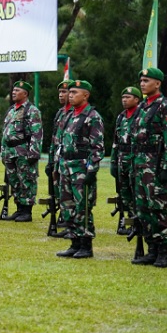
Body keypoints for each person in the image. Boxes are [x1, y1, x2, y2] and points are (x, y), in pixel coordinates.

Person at [129, 68, 167, 267]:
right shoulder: (142, 107)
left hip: (155, 165)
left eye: (146, 80)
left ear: (157, 83)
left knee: (158, 208)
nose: (142, 83)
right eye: (141, 80)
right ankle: (152, 249)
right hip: (139, 164)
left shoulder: (165, 106)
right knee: (143, 208)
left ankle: (163, 252)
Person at [56, 80, 104, 259]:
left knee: (82, 206)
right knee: (67, 205)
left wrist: (92, 169)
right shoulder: (69, 115)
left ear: (86, 95)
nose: (70, 95)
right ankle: (74, 242)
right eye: (70, 92)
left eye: (75, 92)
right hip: (66, 166)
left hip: (81, 167)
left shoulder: (92, 116)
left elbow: (97, 146)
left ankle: (86, 244)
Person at [0, 80, 43, 222]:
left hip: (23, 151)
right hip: (10, 151)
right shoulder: (11, 110)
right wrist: (3, 151)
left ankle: (27, 211)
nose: (14, 92)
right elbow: (5, 132)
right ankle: (19, 209)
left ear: (25, 94)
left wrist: (33, 153)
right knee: (14, 181)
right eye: (13, 90)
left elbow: (37, 134)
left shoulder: (32, 110)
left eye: (17, 90)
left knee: (27, 180)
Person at [110, 86, 142, 236]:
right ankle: (129, 220)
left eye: (128, 97)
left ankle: (138, 222)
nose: (124, 100)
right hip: (122, 157)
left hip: (135, 158)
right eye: (123, 97)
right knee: (124, 193)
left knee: (136, 191)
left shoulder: (141, 116)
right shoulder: (121, 117)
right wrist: (113, 161)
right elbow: (115, 141)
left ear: (137, 99)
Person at [45, 80, 74, 237]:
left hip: (70, 159)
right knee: (59, 189)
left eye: (65, 92)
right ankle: (64, 215)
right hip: (58, 157)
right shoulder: (60, 112)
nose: (62, 95)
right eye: (60, 93)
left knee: (70, 190)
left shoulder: (76, 113)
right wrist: (50, 159)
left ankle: (70, 219)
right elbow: (54, 138)